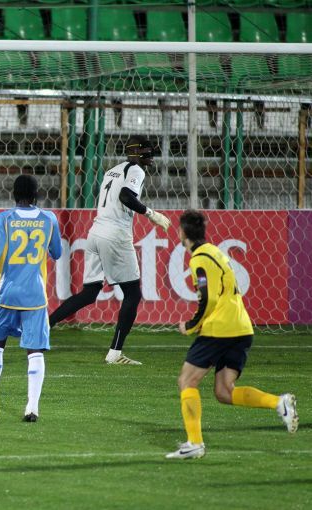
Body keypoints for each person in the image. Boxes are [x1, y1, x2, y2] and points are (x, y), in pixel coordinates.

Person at [166, 210, 298, 460]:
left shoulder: (199, 259)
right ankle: (278, 403)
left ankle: (195, 443)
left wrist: (191, 325)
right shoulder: (215, 252)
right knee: (224, 391)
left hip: (220, 329)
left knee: (187, 381)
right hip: (241, 327)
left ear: (182, 232)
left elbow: (208, 298)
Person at [47, 138, 171, 365]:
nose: (151, 154)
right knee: (133, 294)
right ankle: (115, 353)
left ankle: (45, 325)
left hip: (95, 233)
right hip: (115, 235)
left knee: (89, 292)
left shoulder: (112, 171)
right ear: (137, 152)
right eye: (148, 151)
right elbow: (126, 196)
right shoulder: (136, 170)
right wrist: (152, 214)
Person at [0, 175, 62, 422]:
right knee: (35, 350)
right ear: (36, 195)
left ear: (13, 194)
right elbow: (57, 252)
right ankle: (32, 408)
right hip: (35, 296)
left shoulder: (4, 218)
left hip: (6, 294)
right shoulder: (49, 219)